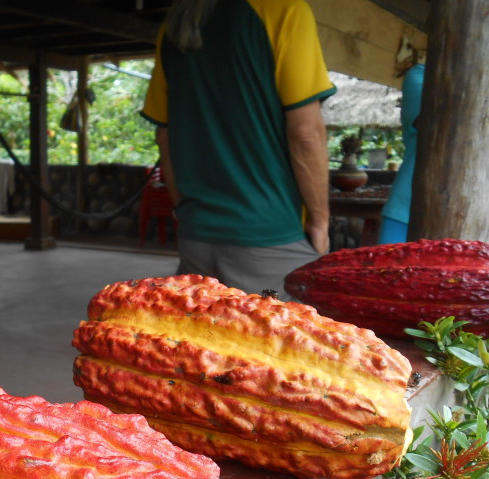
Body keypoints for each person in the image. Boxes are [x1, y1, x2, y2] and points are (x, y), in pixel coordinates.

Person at [141, 0, 336, 298]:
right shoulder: (282, 9)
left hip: (197, 234)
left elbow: (164, 136)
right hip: (269, 235)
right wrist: (321, 223)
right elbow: (306, 133)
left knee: (203, 339)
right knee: (281, 342)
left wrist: (186, 209)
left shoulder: (175, 25)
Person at [378, 62, 425, 244]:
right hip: (406, 212)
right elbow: (440, 117)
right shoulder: (419, 76)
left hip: (473, 212)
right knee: (388, 272)